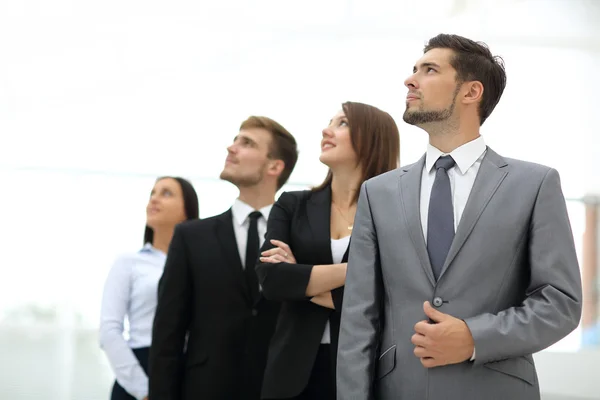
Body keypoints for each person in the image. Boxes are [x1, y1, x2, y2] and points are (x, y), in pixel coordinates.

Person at [336, 33, 583, 400]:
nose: (410, 79)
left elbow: (561, 302)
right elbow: (359, 316)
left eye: (429, 69)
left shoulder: (535, 184)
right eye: (414, 69)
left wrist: (474, 338)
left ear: (471, 92)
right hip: (401, 389)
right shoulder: (379, 192)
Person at [255, 102, 400, 400]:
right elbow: (272, 280)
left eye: (342, 123)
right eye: (330, 121)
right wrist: (361, 271)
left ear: (373, 138)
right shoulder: (292, 205)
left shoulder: (395, 213)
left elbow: (393, 297)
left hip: (365, 371)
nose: (326, 129)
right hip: (291, 374)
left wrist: (301, 280)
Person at [148, 116, 298, 400]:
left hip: (280, 388)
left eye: (247, 143)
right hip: (204, 389)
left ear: (274, 166)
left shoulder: (300, 237)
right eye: (235, 140)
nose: (231, 148)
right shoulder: (191, 237)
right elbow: (168, 332)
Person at [99, 176, 199, 400]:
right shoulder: (129, 262)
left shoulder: (201, 267)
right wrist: (144, 390)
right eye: (152, 193)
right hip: (140, 373)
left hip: (189, 375)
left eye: (166, 193)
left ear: (187, 209)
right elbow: (109, 330)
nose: (153, 199)